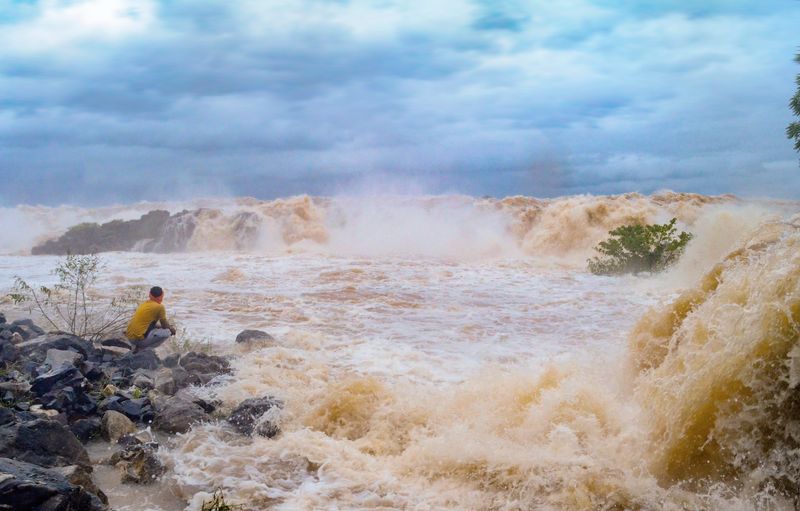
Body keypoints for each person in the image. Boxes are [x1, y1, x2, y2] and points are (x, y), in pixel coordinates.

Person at [126, 286, 176, 352]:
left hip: (130, 338)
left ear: (149, 294)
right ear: (161, 296)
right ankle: (146, 350)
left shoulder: (144, 304)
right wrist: (172, 330)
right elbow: (165, 325)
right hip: (138, 340)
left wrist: (160, 327)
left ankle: (136, 348)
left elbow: (149, 324)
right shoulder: (160, 307)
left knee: (158, 328)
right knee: (167, 332)